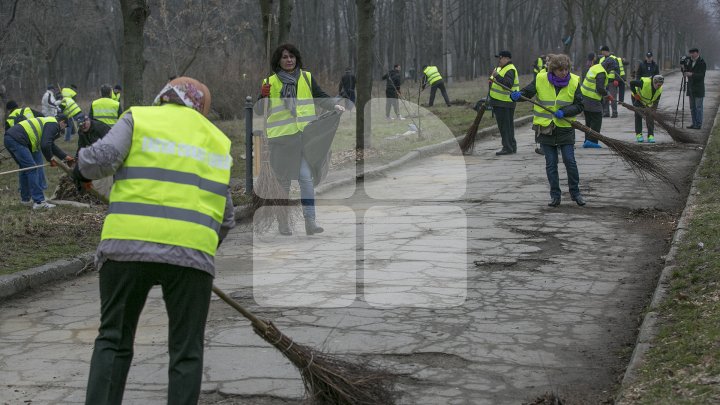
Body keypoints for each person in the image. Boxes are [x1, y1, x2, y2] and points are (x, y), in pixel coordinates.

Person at [76, 77, 235, 405]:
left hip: (125, 251)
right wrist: (197, 247)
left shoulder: (138, 117)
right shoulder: (217, 140)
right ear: (200, 106)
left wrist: (79, 170)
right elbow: (226, 217)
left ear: (163, 96)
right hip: (191, 258)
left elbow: (101, 158)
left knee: (114, 340)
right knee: (186, 352)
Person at [259, 43, 345, 236]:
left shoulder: (306, 77)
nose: (289, 60)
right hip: (281, 140)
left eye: (292, 56)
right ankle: (283, 222)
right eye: (284, 57)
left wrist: (335, 105)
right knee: (284, 183)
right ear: (278, 61)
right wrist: (262, 96)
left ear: (296, 58)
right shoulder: (270, 82)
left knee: (305, 178)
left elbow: (321, 97)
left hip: (304, 137)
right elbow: (259, 110)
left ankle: (310, 221)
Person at [510, 54, 585, 207]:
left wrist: (565, 111)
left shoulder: (574, 81)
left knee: (570, 161)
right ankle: (555, 196)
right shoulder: (541, 78)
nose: (564, 72)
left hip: (565, 128)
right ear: (553, 70)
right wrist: (517, 96)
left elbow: (580, 105)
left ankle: (575, 193)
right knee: (551, 164)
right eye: (560, 70)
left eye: (566, 69)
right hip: (545, 129)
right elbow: (527, 93)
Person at [3, 114, 73, 209]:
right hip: (18, 139)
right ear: (62, 122)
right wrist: (50, 159)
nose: (64, 128)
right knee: (32, 168)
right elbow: (45, 145)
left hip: (10, 138)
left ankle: (25, 200)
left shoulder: (48, 122)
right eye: (66, 125)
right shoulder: (54, 124)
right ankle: (39, 202)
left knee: (25, 168)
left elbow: (50, 144)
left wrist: (65, 157)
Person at [580, 57, 618, 148]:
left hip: (584, 97)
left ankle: (587, 140)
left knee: (589, 121)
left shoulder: (596, 67)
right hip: (592, 100)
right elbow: (600, 88)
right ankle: (592, 141)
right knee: (596, 120)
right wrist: (607, 95)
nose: (611, 71)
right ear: (608, 66)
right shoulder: (601, 73)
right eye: (611, 68)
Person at [488, 50, 519, 155]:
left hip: (504, 103)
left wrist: (496, 76)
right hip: (501, 102)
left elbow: (507, 84)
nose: (499, 60)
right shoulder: (503, 68)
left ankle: (507, 147)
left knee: (505, 127)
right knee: (508, 126)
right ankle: (511, 146)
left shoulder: (509, 69)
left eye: (500, 58)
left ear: (506, 58)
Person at [630, 75, 664, 143]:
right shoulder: (644, 83)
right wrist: (635, 94)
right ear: (654, 82)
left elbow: (656, 101)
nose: (659, 87)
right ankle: (639, 135)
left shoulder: (660, 90)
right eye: (658, 85)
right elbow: (632, 83)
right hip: (638, 99)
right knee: (638, 115)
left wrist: (654, 110)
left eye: (660, 85)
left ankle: (650, 135)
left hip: (647, 102)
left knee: (650, 117)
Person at [685, 48, 706, 129]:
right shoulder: (689, 61)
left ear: (697, 53)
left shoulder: (702, 62)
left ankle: (698, 124)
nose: (691, 55)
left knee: (698, 107)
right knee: (692, 107)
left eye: (693, 53)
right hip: (690, 88)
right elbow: (686, 71)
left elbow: (701, 75)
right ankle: (694, 123)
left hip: (698, 88)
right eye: (690, 53)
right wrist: (683, 68)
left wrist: (692, 74)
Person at [598, 45, 621, 118]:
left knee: (613, 97)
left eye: (602, 51)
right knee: (605, 97)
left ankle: (614, 112)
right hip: (605, 81)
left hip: (612, 81)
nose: (602, 52)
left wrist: (616, 79)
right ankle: (606, 112)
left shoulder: (614, 59)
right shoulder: (601, 59)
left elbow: (617, 70)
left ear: (606, 51)